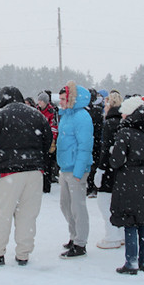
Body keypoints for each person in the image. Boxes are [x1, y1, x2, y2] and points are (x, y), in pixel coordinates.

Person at [0, 86, 52, 266]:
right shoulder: (37, 115)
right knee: (28, 214)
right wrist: (37, 159)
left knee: (2, 214)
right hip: (34, 171)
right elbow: (47, 140)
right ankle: (23, 253)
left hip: (6, 173)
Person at [109, 96, 144, 275]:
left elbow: (116, 161)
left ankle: (131, 262)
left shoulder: (125, 133)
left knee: (130, 221)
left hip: (128, 180)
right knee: (143, 221)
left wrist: (114, 152)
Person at [57, 81, 94, 259]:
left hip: (76, 170)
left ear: (72, 99)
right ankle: (74, 236)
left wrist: (79, 171)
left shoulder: (82, 117)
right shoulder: (66, 115)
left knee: (77, 207)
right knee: (65, 205)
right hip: (65, 168)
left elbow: (85, 146)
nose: (61, 102)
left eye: (64, 99)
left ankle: (80, 243)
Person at [97, 90, 124, 249]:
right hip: (120, 168)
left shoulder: (109, 123)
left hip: (108, 168)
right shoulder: (122, 121)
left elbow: (106, 148)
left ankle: (112, 235)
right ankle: (119, 233)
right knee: (117, 201)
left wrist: (101, 168)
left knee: (105, 202)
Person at [36, 92, 58, 194]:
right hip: (38, 139)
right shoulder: (36, 110)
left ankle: (46, 185)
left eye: (40, 100)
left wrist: (52, 140)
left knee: (47, 164)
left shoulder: (51, 111)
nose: (39, 102)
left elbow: (54, 127)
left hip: (47, 140)